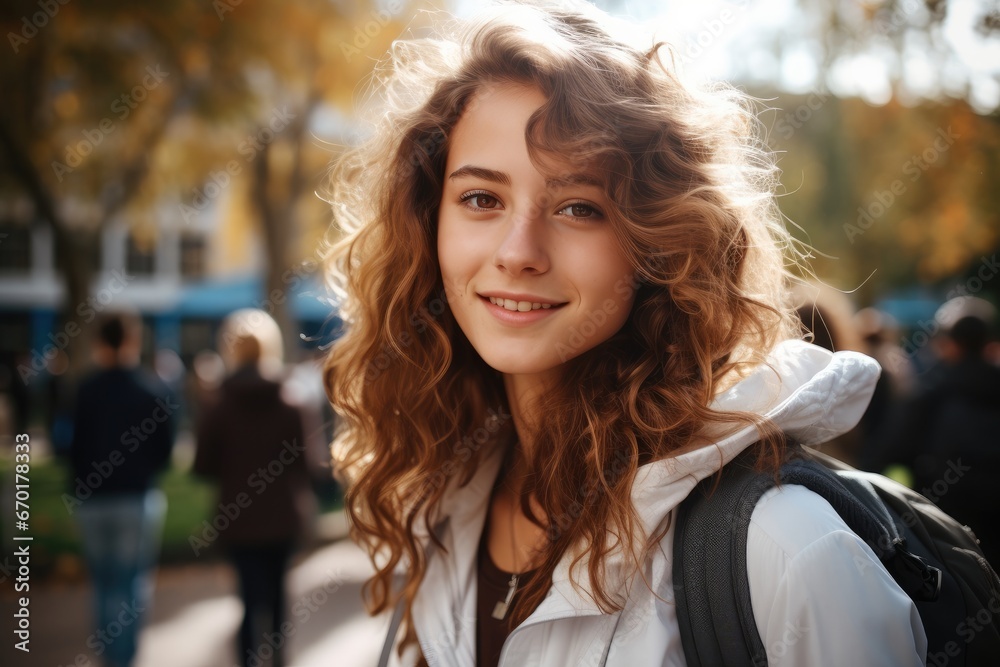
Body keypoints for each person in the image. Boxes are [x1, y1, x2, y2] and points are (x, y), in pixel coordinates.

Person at [323, 2, 927, 665]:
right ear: (428, 221)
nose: (518, 251)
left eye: (579, 206)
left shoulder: (785, 549)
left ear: (657, 242)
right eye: (481, 199)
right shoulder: (443, 505)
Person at [193, 308, 313, 667]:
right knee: (277, 597)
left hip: (238, 519)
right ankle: (278, 659)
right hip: (281, 519)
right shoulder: (291, 402)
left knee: (248, 600)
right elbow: (306, 465)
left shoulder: (219, 405)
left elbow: (203, 467)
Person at [70, 311, 176, 667]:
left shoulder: (85, 390)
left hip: (94, 500)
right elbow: (165, 452)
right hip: (135, 498)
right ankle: (125, 657)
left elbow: (68, 445)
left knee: (102, 583)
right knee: (131, 583)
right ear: (132, 341)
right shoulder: (151, 390)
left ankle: (109, 658)